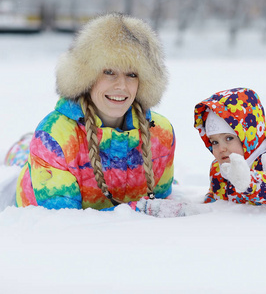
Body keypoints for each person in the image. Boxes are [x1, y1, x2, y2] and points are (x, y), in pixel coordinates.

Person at [14, 13, 178, 214]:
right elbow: (62, 223)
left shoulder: (160, 134)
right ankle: (22, 146)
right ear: (87, 77)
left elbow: (162, 205)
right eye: (109, 72)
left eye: (132, 74)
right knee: (20, 156)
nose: (121, 86)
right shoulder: (53, 137)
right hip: (37, 183)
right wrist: (140, 210)